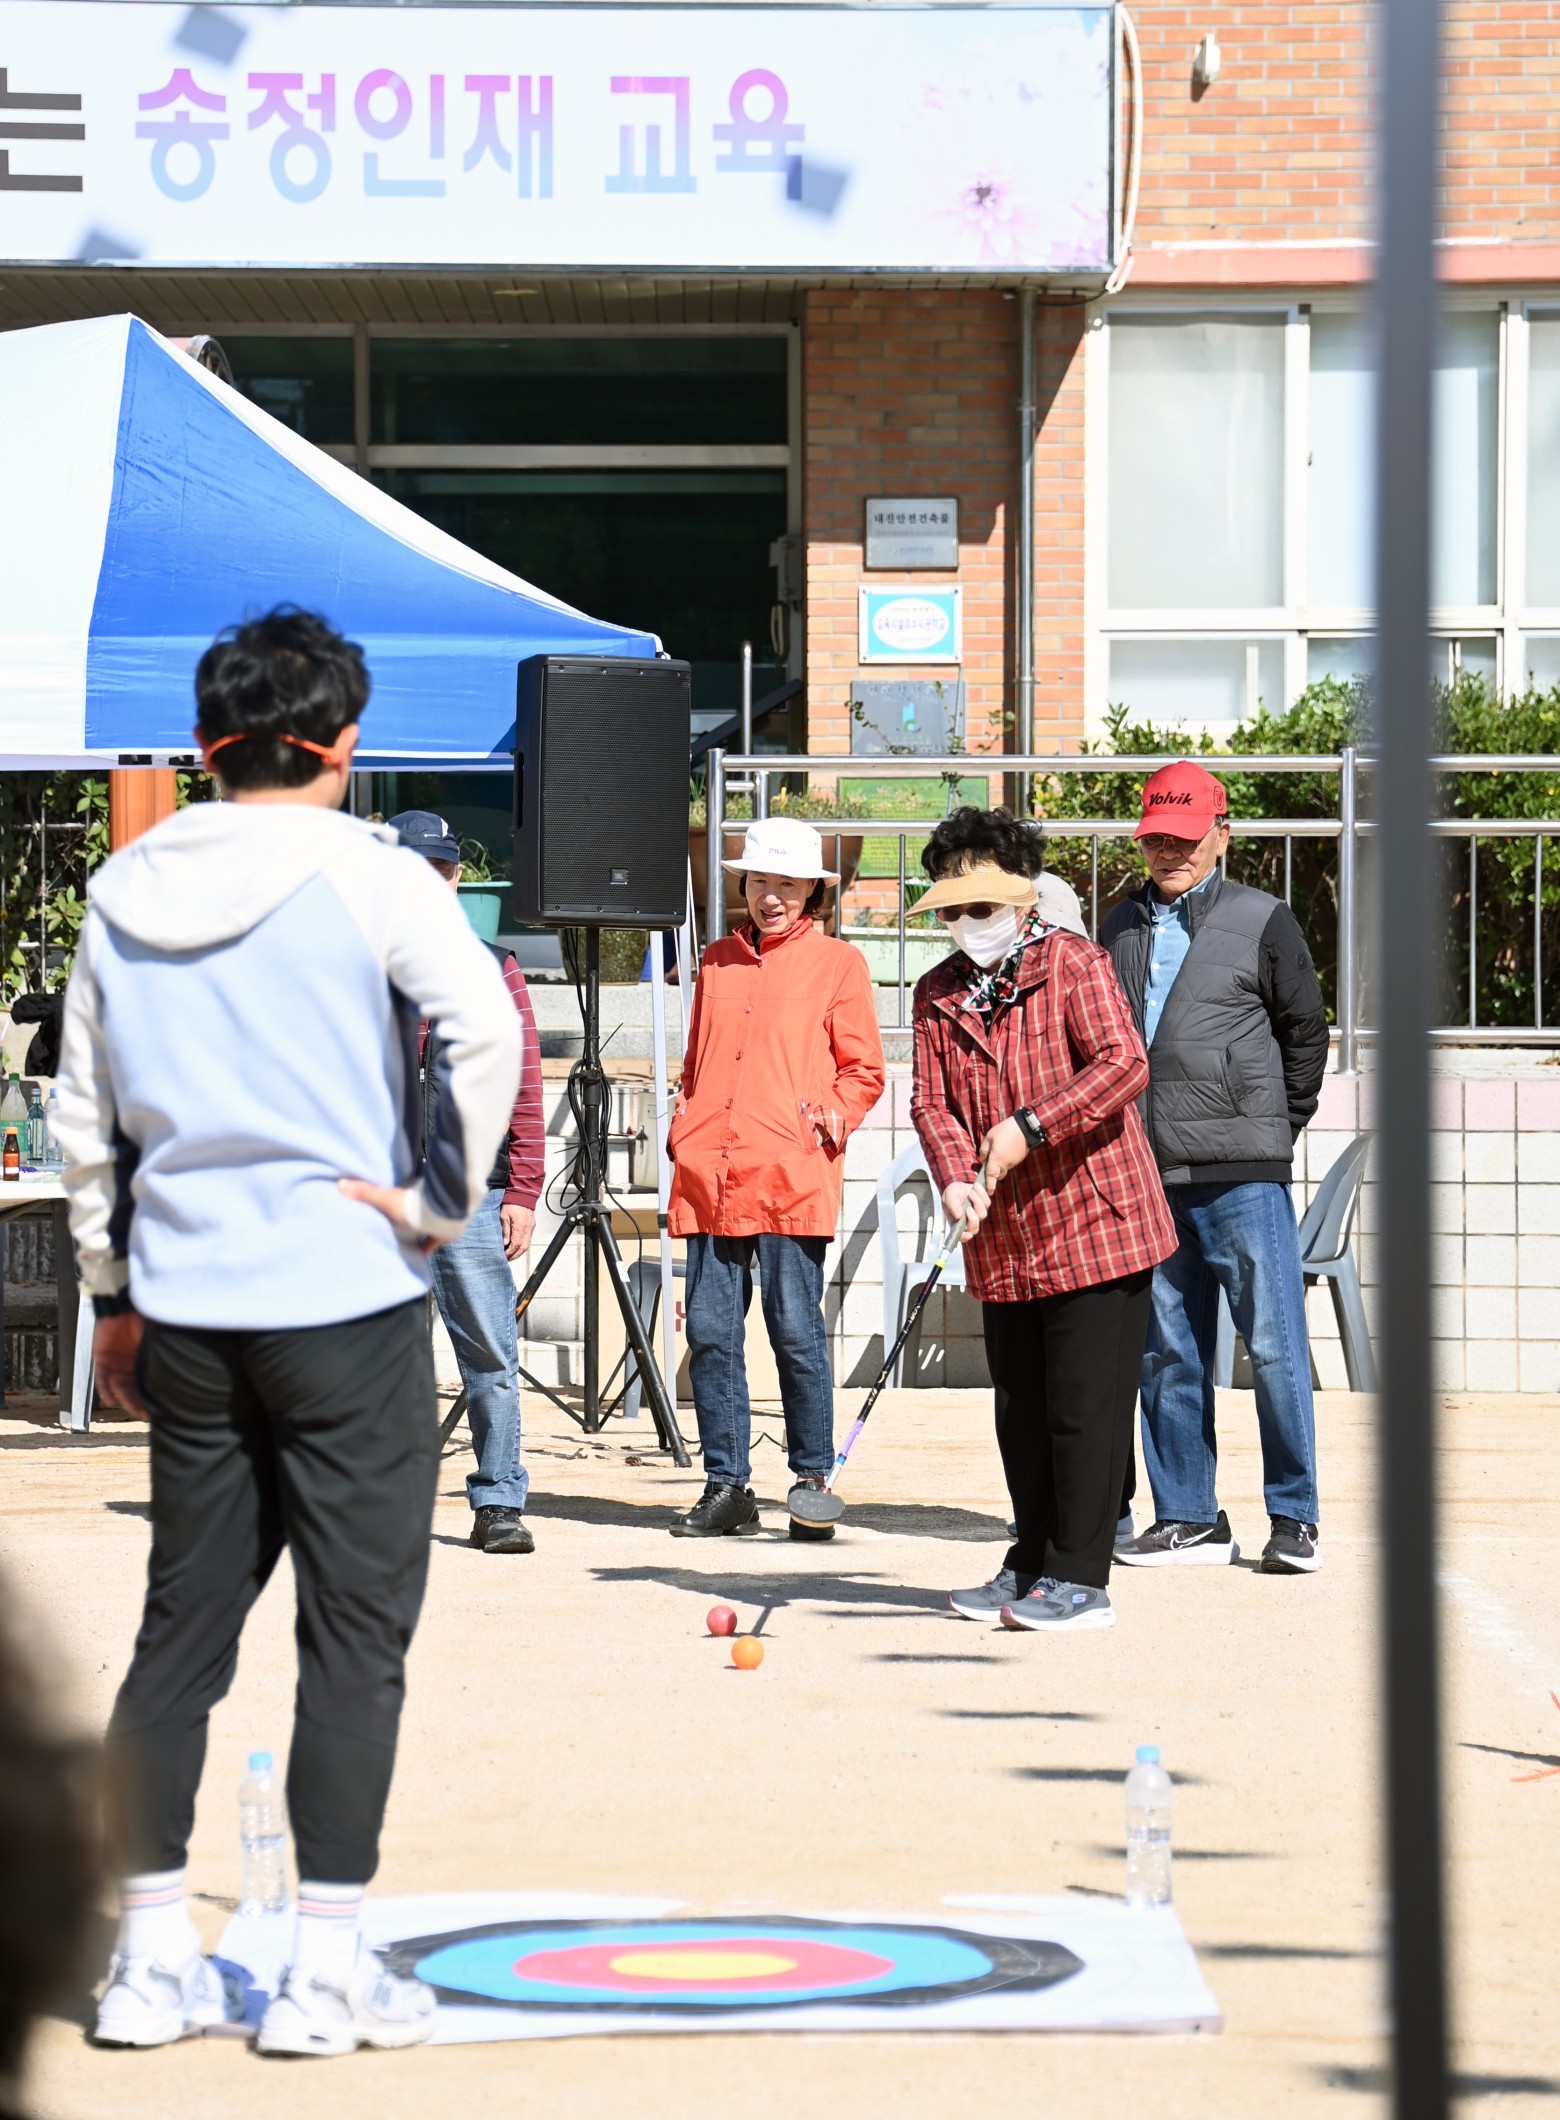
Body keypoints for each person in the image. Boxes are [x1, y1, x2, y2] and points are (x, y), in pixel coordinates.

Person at [54, 607, 520, 2058]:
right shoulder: (373, 873)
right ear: (344, 742)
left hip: (189, 1302)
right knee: (353, 1639)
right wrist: (437, 1204)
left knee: (180, 1633)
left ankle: (147, 1964)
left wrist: (113, 1289)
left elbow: (83, 1111)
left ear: (204, 743)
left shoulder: (125, 885)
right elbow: (488, 1029)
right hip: (345, 1295)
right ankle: (323, 1973)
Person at [910, 807, 1176, 1633]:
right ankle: (1029, 1561)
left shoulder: (1074, 963)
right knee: (1021, 1413)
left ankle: (1080, 1579)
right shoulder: (936, 993)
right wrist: (954, 1178)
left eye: (983, 906)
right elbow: (930, 1102)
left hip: (1099, 1224)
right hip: (1004, 1239)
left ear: (1022, 898)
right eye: (954, 908)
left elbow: (1124, 1064)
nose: (968, 921)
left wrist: (1031, 1125)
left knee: (1082, 1412)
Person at [1101, 760, 1330, 1576]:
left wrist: (1273, 1129)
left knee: (1274, 1347)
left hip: (1244, 1174)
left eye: (1186, 838)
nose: (1171, 852)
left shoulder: (1264, 919)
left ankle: (1294, 1517)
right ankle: (1189, 1517)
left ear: (1221, 836)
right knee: (1166, 1351)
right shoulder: (1118, 924)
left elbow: (1306, 1034)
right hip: (1149, 1172)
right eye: (1157, 838)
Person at [666, 817, 885, 1540]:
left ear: (811, 892)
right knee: (711, 1334)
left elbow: (864, 1071)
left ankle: (811, 1481)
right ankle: (726, 1485)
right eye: (760, 880)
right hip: (711, 1173)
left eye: (787, 884)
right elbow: (697, 1063)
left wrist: (822, 1124)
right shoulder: (716, 961)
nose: (771, 897)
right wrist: (684, 1126)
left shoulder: (838, 963)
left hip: (790, 1174)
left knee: (793, 1329)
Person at [388, 810, 545, 1556]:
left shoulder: (495, 968)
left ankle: (499, 1501)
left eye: (439, 870)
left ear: (455, 879)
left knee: (489, 1355)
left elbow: (525, 1084)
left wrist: (524, 1190)